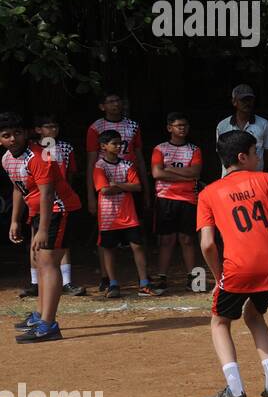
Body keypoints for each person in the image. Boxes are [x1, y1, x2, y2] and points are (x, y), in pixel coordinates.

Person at [196, 129, 268, 397]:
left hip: (239, 266)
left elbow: (207, 245)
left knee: (219, 322)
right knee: (254, 314)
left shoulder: (209, 192)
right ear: (242, 156)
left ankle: (235, 391)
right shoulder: (267, 180)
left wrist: (218, 277)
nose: (259, 158)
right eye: (255, 153)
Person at [5, 112, 84, 343]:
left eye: (17, 133)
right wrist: (15, 220)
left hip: (59, 209)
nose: (12, 139)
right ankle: (41, 316)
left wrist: (42, 228)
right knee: (40, 262)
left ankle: (48, 325)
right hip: (39, 211)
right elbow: (19, 188)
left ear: (27, 134)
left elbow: (49, 194)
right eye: (6, 135)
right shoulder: (7, 158)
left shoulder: (39, 156)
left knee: (49, 264)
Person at [93, 130, 161, 298]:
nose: (118, 146)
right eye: (114, 143)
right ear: (103, 146)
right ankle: (113, 283)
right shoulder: (99, 166)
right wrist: (125, 185)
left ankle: (144, 283)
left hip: (128, 214)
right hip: (108, 216)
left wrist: (116, 184)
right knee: (109, 249)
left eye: (119, 143)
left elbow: (137, 186)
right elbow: (104, 190)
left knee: (137, 246)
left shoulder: (127, 164)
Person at [24, 115, 83, 296]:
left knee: (59, 244)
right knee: (36, 240)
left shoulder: (65, 147)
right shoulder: (30, 150)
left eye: (55, 126)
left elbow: (70, 173)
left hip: (59, 201)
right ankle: (35, 282)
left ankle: (67, 282)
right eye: (48, 127)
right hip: (37, 198)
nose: (53, 131)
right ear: (38, 130)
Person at [151, 112, 202, 291]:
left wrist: (170, 170)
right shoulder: (160, 149)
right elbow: (157, 173)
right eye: (178, 125)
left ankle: (193, 280)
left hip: (188, 199)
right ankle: (162, 278)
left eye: (185, 125)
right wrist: (184, 174)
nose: (182, 128)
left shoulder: (194, 149)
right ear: (169, 128)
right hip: (165, 198)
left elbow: (196, 173)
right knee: (166, 240)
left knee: (187, 239)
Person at [85, 91, 148, 233]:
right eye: (111, 101)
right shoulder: (96, 127)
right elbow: (91, 162)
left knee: (136, 225)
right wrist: (90, 196)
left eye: (118, 100)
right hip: (107, 180)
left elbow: (139, 157)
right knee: (108, 229)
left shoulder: (132, 125)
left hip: (131, 178)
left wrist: (146, 189)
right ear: (102, 107)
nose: (116, 104)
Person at [215, 84, 268, 176]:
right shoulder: (223, 126)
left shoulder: (264, 124)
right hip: (230, 179)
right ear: (234, 102)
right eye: (243, 100)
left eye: (250, 100)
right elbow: (221, 153)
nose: (247, 103)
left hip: (255, 177)